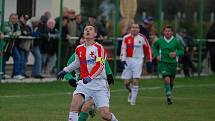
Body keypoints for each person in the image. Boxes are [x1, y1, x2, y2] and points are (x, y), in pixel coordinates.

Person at [57, 25, 118, 121]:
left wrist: (90, 77)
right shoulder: (79, 49)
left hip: (99, 85)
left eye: (90, 29)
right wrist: (65, 71)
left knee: (105, 115)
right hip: (84, 84)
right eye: (86, 29)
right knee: (74, 107)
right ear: (84, 33)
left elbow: (100, 65)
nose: (87, 31)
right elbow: (76, 63)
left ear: (95, 34)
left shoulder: (99, 48)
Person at [120, 23, 152, 105]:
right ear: (130, 29)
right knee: (126, 83)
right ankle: (131, 92)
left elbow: (148, 49)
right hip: (128, 60)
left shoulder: (142, 38)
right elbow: (123, 49)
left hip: (138, 60)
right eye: (133, 27)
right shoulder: (126, 38)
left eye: (136, 28)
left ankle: (133, 101)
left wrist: (149, 60)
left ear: (139, 29)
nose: (135, 29)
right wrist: (122, 60)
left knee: (135, 80)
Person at [152, 25, 184, 105]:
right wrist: (156, 55)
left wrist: (175, 53)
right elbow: (154, 47)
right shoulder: (160, 40)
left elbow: (182, 51)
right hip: (163, 63)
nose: (167, 32)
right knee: (166, 78)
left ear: (172, 32)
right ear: (163, 32)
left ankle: (169, 93)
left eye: (169, 31)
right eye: (166, 31)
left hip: (173, 64)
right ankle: (169, 94)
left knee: (171, 81)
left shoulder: (176, 41)